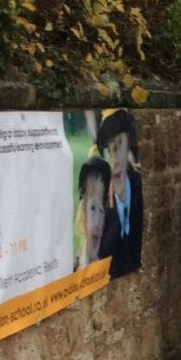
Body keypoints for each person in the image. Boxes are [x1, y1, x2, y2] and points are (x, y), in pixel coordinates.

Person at [95, 109, 144, 278]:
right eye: (109, 151)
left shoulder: (137, 184)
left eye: (117, 148)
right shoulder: (99, 198)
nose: (114, 159)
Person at [74, 156, 111, 270]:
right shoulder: (73, 268)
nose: (97, 223)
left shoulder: (110, 270)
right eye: (93, 208)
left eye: (102, 210)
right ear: (83, 210)